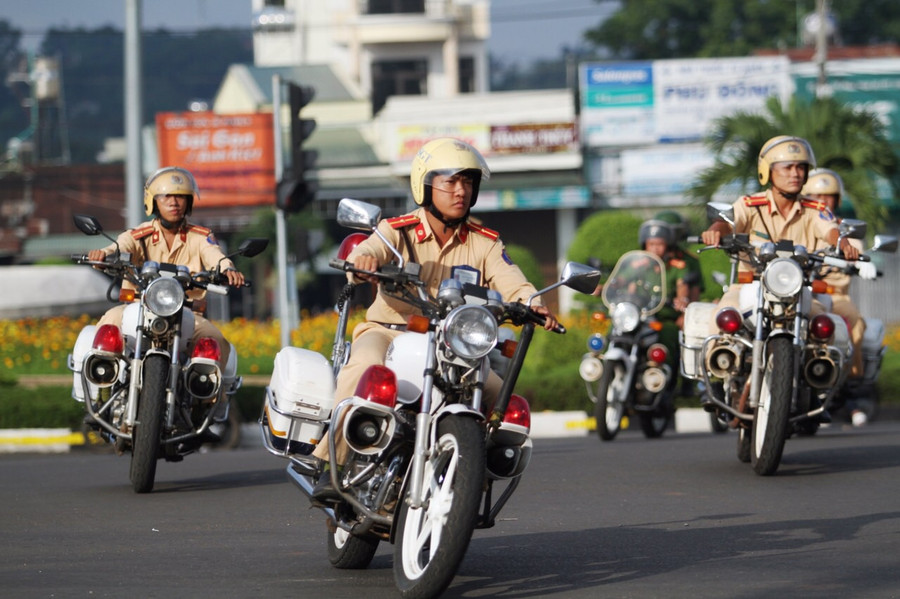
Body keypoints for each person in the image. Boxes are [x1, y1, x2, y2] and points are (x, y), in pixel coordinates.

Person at [312, 137, 558, 497]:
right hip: (390, 331)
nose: (461, 191)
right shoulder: (398, 229)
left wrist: (531, 303)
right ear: (426, 185)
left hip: (452, 344)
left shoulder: (485, 242)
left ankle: (475, 476)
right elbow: (371, 248)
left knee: (500, 397)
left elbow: (512, 280)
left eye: (468, 182)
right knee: (362, 367)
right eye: (451, 182)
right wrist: (363, 262)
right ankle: (329, 462)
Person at [699, 136, 859, 414]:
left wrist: (841, 242)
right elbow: (728, 221)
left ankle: (819, 383)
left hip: (799, 289)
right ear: (768, 171)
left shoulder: (816, 209)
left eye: (800, 167)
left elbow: (829, 228)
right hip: (752, 284)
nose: (795, 173)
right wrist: (717, 230)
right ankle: (716, 377)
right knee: (724, 314)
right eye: (786, 167)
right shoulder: (750, 203)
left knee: (825, 326)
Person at [88, 166, 245, 383]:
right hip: (137, 307)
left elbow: (214, 255)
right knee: (108, 325)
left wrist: (227, 268)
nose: (174, 202)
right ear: (153, 201)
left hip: (188, 314)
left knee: (216, 340)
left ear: (189, 201)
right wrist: (104, 255)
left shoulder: (201, 237)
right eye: (166, 196)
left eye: (180, 196)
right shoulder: (139, 235)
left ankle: (206, 399)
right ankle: (100, 389)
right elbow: (121, 246)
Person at [802, 168, 871, 425]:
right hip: (803, 290)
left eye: (829, 195)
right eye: (816, 194)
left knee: (854, 322)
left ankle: (849, 387)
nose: (823, 200)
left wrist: (861, 262)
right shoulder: (802, 222)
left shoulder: (844, 228)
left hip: (835, 294)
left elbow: (859, 253)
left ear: (838, 199)